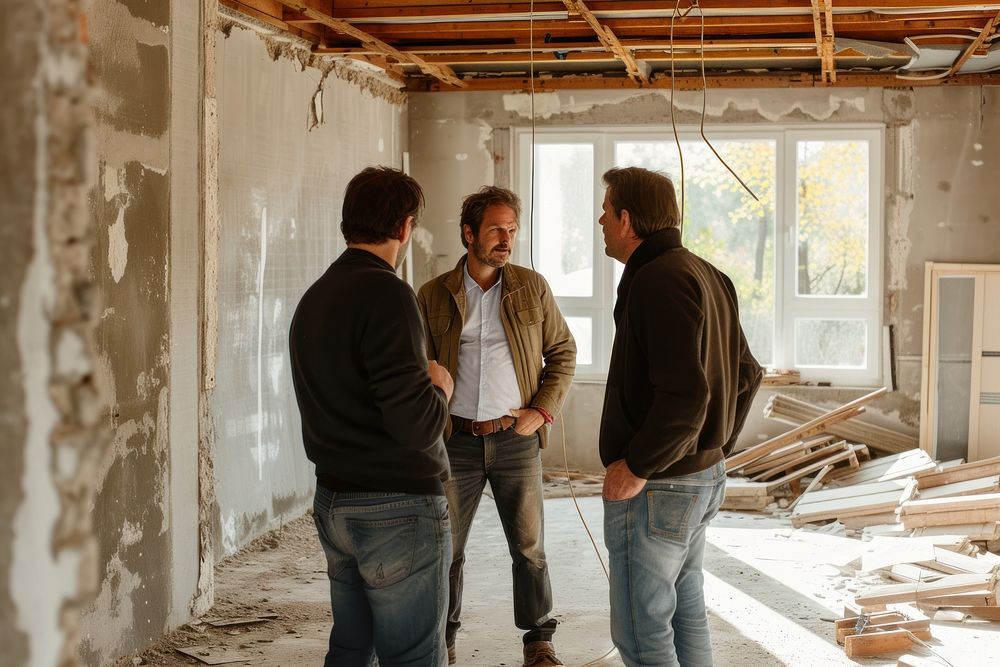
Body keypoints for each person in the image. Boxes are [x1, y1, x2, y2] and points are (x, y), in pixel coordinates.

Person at [597, 167, 763, 667]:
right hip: (700, 477)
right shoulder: (706, 273)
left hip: (660, 486)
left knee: (642, 630)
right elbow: (748, 374)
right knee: (684, 609)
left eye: (606, 210)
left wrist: (639, 465)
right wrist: (714, 447)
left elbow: (686, 396)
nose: (600, 219)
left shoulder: (656, 280)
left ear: (627, 220)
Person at [289, 166, 455, 667]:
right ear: (406, 227)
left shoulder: (316, 297)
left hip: (335, 501)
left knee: (351, 650)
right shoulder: (389, 294)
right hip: (397, 506)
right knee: (412, 657)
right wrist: (439, 387)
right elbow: (418, 426)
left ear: (348, 222)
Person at [416, 186, 576, 667]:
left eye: (512, 229)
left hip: (515, 440)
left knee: (529, 549)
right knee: (447, 550)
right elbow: (416, 366)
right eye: (495, 230)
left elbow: (563, 353)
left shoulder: (532, 287)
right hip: (454, 441)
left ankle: (538, 642)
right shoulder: (433, 294)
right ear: (469, 234)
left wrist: (541, 411)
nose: (506, 239)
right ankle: (441, 642)